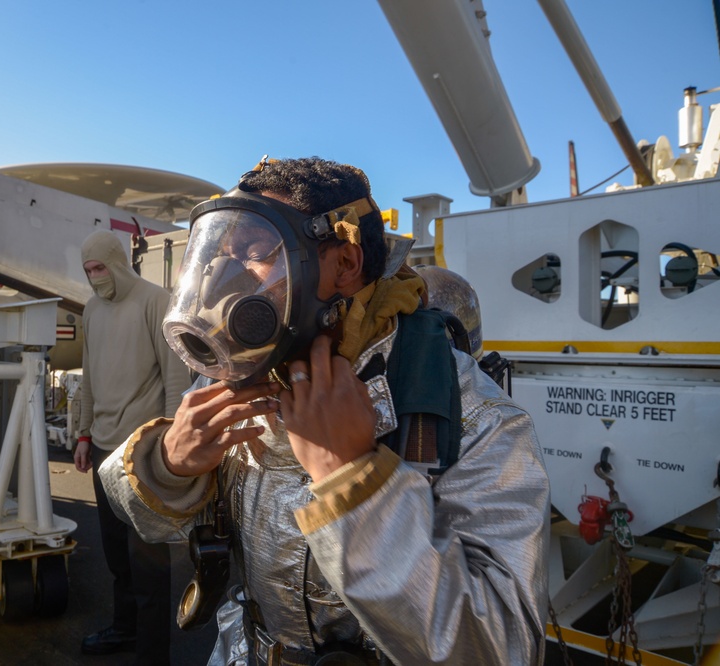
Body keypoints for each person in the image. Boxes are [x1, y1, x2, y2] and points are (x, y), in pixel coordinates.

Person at [100, 157, 550, 665]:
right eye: (221, 254)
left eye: (253, 252)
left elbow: (501, 649)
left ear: (345, 264)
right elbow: (137, 513)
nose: (224, 277)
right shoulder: (239, 372)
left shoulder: (470, 413)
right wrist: (167, 464)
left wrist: (352, 479)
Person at [73, 230, 192, 665]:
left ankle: (152, 652)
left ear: (117, 262)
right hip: (103, 449)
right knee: (115, 554)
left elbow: (176, 376)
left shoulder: (155, 301)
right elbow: (88, 377)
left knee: (148, 562)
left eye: (99, 268)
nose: (94, 278)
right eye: (87, 271)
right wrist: (83, 434)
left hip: (143, 451)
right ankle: (124, 630)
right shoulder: (90, 309)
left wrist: (171, 444)